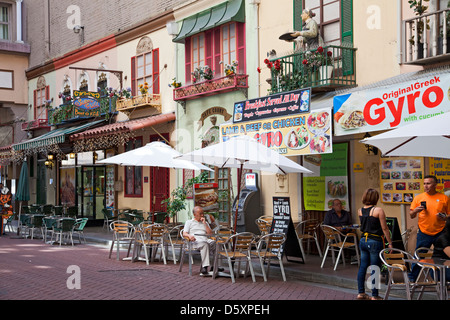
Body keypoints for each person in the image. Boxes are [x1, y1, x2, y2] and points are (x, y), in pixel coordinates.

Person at [409, 175, 450, 281]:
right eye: (424, 183)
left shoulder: (444, 198)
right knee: (418, 255)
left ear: (435, 185)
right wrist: (416, 211)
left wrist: (445, 217)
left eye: (428, 183)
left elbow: (449, 215)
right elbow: (411, 215)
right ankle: (413, 278)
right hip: (424, 232)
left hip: (440, 232)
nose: (426, 186)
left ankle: (441, 278)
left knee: (441, 256)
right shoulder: (419, 198)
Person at [356, 188, 393, 300]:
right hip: (375, 241)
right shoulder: (378, 210)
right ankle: (374, 295)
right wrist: (389, 243)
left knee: (362, 267)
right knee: (375, 268)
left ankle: (361, 293)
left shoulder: (360, 210)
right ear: (375, 198)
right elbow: (385, 228)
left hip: (363, 240)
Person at [183, 206, 216, 275]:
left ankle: (215, 266)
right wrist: (189, 236)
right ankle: (205, 267)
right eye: (200, 213)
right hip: (195, 242)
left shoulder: (205, 223)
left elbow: (210, 234)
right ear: (194, 215)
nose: (202, 215)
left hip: (205, 240)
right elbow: (184, 233)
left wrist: (205, 224)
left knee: (216, 244)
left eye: (202, 213)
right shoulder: (189, 222)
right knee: (205, 244)